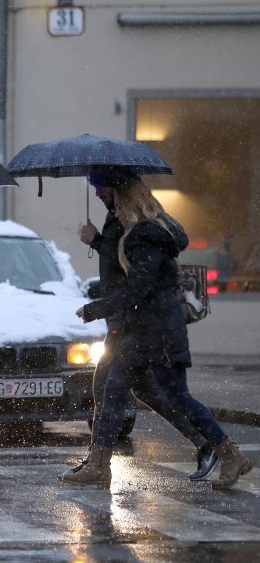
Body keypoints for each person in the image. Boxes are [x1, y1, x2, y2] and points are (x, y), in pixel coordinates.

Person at [61, 174, 252, 490]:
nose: (116, 214)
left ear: (131, 205)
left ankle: (226, 452)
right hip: (142, 333)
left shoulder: (144, 238)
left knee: (179, 398)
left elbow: (139, 288)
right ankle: (99, 465)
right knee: (112, 391)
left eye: (119, 206)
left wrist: (98, 308)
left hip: (158, 335)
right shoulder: (147, 235)